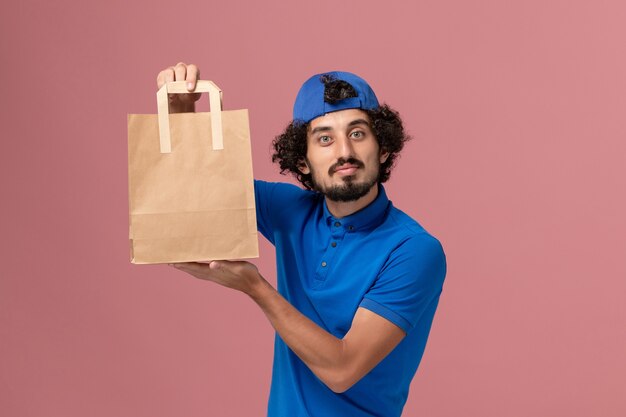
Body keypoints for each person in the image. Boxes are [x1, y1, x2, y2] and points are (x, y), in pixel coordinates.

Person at [157, 63, 447, 417]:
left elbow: (342, 370)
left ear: (383, 148)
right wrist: (181, 110)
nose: (344, 152)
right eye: (325, 138)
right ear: (303, 161)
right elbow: (195, 193)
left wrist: (256, 288)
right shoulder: (290, 211)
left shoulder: (414, 250)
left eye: (357, 134)